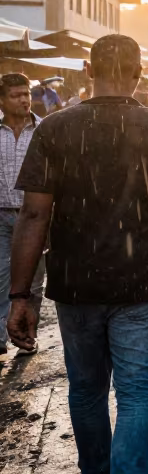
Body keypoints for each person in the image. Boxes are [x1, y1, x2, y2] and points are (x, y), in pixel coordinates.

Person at [6, 34, 148, 474]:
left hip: (77, 285)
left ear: (89, 70)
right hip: (145, 283)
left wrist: (21, 295)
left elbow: (34, 215)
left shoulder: (55, 129)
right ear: (138, 74)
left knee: (86, 390)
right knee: (136, 393)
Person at [0, 74, 43, 358]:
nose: (24, 99)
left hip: (36, 216)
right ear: (2, 100)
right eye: (16, 95)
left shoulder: (42, 130)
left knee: (34, 281)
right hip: (1, 214)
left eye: (26, 93)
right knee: (1, 277)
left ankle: (27, 335)